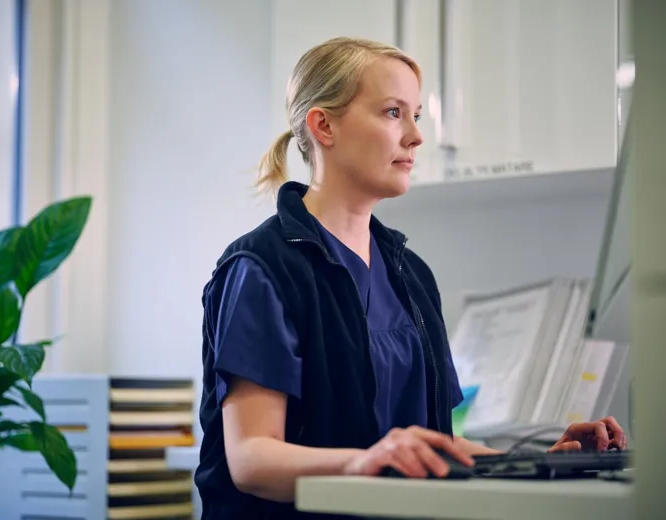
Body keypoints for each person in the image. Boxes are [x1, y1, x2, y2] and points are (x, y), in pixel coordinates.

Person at [193, 37, 628, 520]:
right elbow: (252, 459)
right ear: (324, 125)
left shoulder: (411, 273)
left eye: (416, 115)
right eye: (393, 112)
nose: (416, 137)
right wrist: (366, 463)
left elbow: (434, 445)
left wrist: (535, 463)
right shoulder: (262, 269)